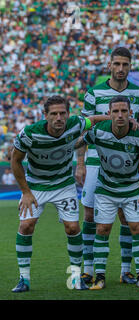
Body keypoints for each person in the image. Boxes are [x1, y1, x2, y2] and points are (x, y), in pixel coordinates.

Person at [75, 47, 139, 286]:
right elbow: (85, 128)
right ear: (109, 65)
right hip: (95, 161)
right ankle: (89, 269)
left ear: (130, 66)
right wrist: (80, 163)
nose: (121, 69)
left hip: (127, 163)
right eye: (117, 64)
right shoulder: (94, 92)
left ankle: (126, 271)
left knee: (127, 218)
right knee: (91, 215)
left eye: (125, 64)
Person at [10, 95, 110, 292]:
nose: (58, 118)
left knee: (73, 228)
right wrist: (26, 192)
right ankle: (24, 279)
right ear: (45, 115)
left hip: (63, 185)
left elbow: (96, 119)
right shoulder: (29, 133)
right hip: (36, 186)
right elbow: (15, 160)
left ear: (68, 114)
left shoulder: (76, 124)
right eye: (53, 114)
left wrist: (122, 120)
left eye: (62, 113)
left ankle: (75, 277)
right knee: (26, 226)